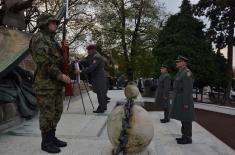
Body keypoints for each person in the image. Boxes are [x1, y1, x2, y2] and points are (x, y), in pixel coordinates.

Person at [29, 13, 71, 153]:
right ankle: (45, 142)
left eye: (55, 22)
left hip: (55, 85)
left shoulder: (52, 41)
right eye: (52, 22)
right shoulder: (39, 38)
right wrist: (60, 76)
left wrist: (65, 49)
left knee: (56, 112)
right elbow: (44, 63)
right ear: (44, 24)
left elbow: (62, 62)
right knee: (47, 114)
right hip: (45, 85)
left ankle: (52, 137)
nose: (55, 25)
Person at [171, 55, 195, 144]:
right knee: (183, 118)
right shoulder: (180, 72)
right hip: (180, 98)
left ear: (184, 63)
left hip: (185, 99)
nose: (176, 63)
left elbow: (187, 89)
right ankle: (184, 136)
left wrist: (185, 102)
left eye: (178, 62)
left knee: (186, 119)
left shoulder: (187, 72)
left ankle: (188, 138)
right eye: (176, 62)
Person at [77, 44, 107, 113]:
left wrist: (80, 71)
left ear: (93, 50)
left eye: (89, 50)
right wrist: (79, 61)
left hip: (99, 77)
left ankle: (101, 108)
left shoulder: (97, 57)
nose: (88, 52)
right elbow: (86, 60)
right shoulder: (93, 56)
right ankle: (104, 106)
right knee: (100, 92)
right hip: (98, 77)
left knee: (100, 92)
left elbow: (92, 67)